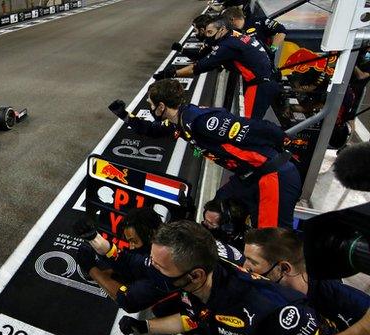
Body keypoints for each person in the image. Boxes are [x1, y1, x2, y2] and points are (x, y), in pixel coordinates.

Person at [118, 220, 331, 335]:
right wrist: (146, 326)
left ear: (195, 275)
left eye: (159, 267)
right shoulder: (196, 284)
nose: (151, 270)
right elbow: (194, 318)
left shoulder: (272, 309)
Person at [123, 79, 300, 228]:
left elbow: (255, 127)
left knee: (271, 241)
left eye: (151, 104)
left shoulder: (202, 122)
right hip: (249, 176)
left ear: (161, 106)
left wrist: (286, 142)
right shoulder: (181, 121)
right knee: (214, 209)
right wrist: (126, 117)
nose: (150, 107)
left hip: (272, 175)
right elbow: (154, 130)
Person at [74, 208, 243, 314]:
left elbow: (128, 300)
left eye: (134, 241)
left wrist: (91, 269)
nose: (130, 247)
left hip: (228, 308)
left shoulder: (170, 267)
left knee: (162, 308)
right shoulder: (178, 235)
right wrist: (95, 239)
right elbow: (133, 260)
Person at [243, 227, 370, 332]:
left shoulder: (355, 307)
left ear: (284, 268)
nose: (244, 267)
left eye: (252, 262)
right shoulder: (260, 292)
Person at [155, 16, 278, 120]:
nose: (207, 36)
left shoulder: (227, 45)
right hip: (266, 79)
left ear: (222, 30)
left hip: (259, 85)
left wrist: (173, 73)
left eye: (210, 32)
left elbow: (199, 67)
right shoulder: (234, 35)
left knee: (247, 124)